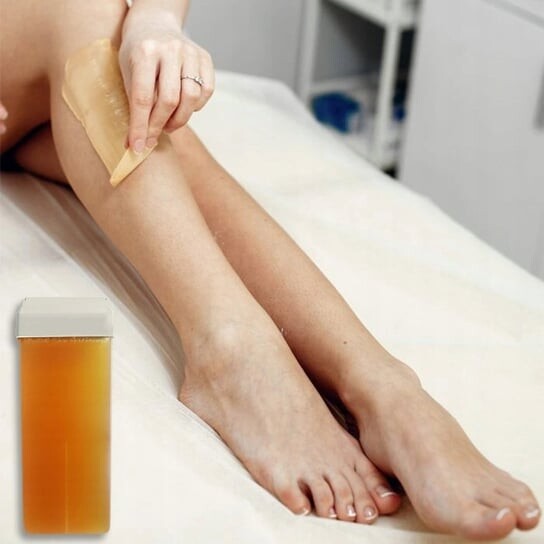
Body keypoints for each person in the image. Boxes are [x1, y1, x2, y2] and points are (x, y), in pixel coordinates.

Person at [0, 0, 540, 539]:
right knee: (91, 32)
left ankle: (383, 388)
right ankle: (237, 350)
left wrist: (154, 20)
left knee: (125, 91)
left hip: (35, 84)